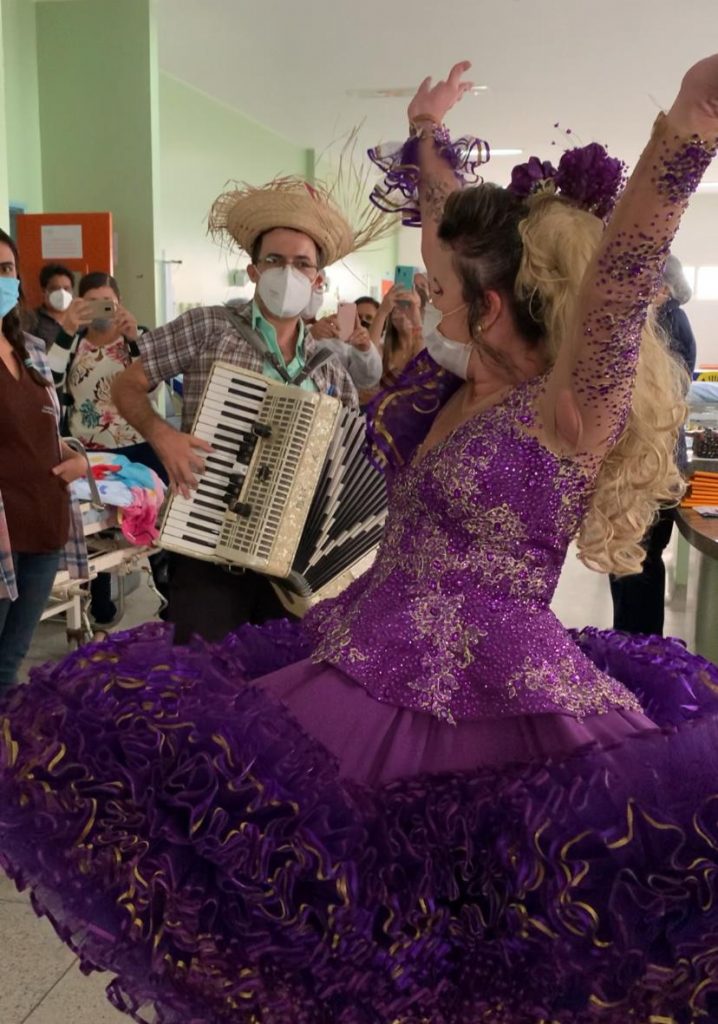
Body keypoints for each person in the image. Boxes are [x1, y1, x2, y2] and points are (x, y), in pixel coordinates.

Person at [2, 57, 718, 1024]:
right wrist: (428, 141)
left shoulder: (569, 412)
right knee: (340, 924)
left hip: (503, 705)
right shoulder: (455, 389)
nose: (425, 301)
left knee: (476, 938)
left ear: (489, 306)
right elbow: (458, 233)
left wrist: (685, 127)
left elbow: (627, 274)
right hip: (363, 657)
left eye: (436, 290)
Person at [111, 177, 381, 643]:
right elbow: (126, 386)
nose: (287, 272)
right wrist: (163, 436)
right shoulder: (210, 327)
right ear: (254, 270)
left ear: (317, 279)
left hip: (295, 565)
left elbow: (347, 467)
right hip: (208, 546)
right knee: (203, 683)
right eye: (274, 260)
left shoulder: (330, 371)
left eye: (302, 264)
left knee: (282, 689)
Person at [48, 271, 168, 626]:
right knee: (96, 533)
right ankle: (100, 606)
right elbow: (49, 382)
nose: (102, 309)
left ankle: (168, 594)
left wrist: (133, 338)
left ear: (119, 301)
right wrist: (67, 330)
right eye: (92, 301)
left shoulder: (139, 336)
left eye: (108, 301)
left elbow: (153, 384)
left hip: (137, 447)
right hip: (89, 452)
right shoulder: (73, 342)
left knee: (154, 526)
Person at [0, 231, 88, 691]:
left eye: (5, 269)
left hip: (44, 521)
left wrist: (76, 458)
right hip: (3, 533)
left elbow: (49, 429)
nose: (0, 279)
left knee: (10, 659)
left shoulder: (30, 350)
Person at [609, 253, 697, 635]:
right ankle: (632, 648)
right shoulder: (661, 320)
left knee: (637, 562)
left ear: (662, 287)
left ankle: (639, 655)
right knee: (629, 560)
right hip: (645, 462)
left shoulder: (668, 322)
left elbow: (652, 396)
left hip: (650, 465)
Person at [307, 285, 383, 390]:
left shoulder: (375, 349)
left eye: (369, 318)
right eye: (359, 317)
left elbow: (367, 379)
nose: (362, 321)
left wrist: (365, 351)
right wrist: (310, 334)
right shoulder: (326, 339)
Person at [32, 262, 75, 349]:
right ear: (44, 292)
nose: (62, 293)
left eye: (66, 288)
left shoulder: (81, 321)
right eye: (55, 288)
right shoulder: (31, 320)